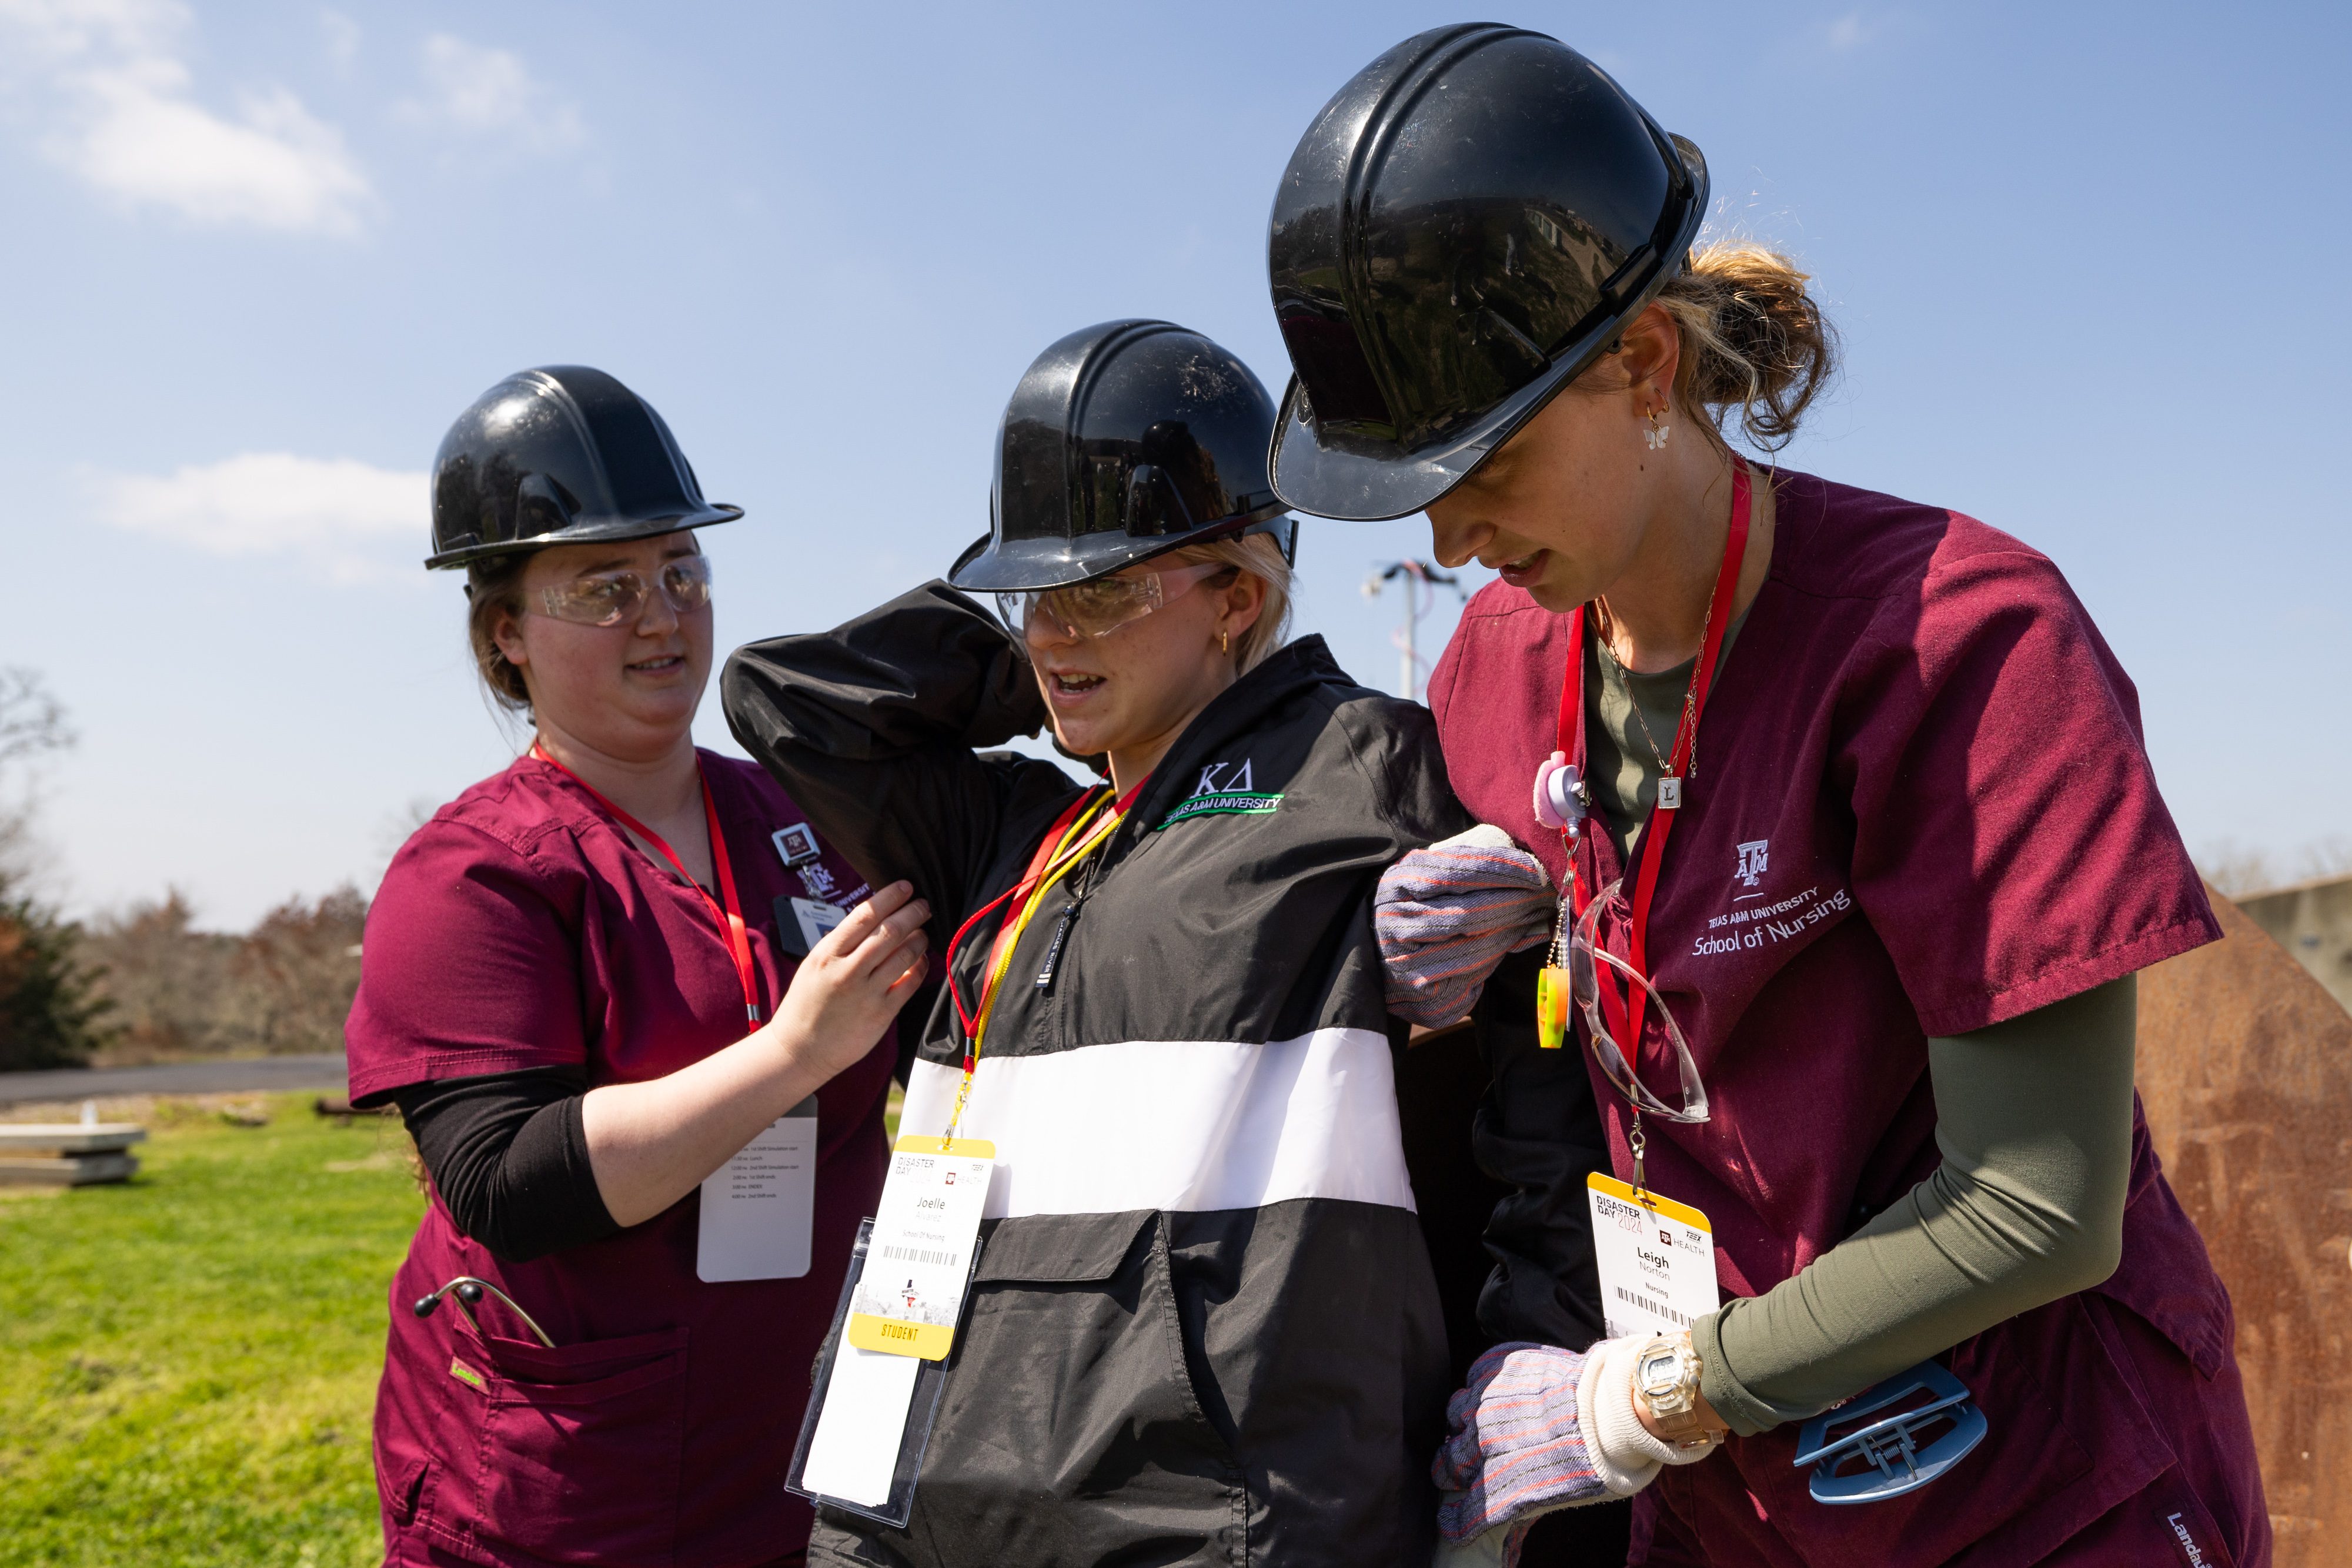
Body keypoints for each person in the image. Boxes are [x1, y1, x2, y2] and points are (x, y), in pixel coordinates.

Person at [1265, 26, 2267, 1568]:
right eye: (1415, 490)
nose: (1455, 535)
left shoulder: (1959, 648)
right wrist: (1505, 920)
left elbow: (2034, 1203)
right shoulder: (1495, 661)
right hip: (1741, 1511)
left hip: (2027, 1491)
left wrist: (1650, 1394)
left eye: (1488, 465)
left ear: (1645, 368)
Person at [723, 319, 1464, 1567]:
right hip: (910, 1504)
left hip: (1197, 1524)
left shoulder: (1366, 768)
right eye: (1033, 599)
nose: (1053, 634)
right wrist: (1061, 668)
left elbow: (1528, 1108)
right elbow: (783, 699)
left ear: (1240, 593)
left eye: (1100, 589)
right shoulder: (1016, 829)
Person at [346, 365, 932, 1568]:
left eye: (681, 571)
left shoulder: (801, 815)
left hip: (794, 1445)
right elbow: (505, 1178)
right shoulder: (471, 871)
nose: (661, 615)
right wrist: (791, 1054)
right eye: (604, 587)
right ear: (505, 631)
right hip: (568, 1480)